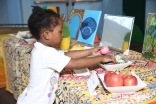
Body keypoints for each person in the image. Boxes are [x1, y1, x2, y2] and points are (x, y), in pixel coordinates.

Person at [17, 6, 116, 104]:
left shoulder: (42, 49)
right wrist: (101, 58)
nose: (62, 35)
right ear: (46, 34)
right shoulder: (46, 53)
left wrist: (90, 51)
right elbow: (76, 63)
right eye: (60, 31)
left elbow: (65, 54)